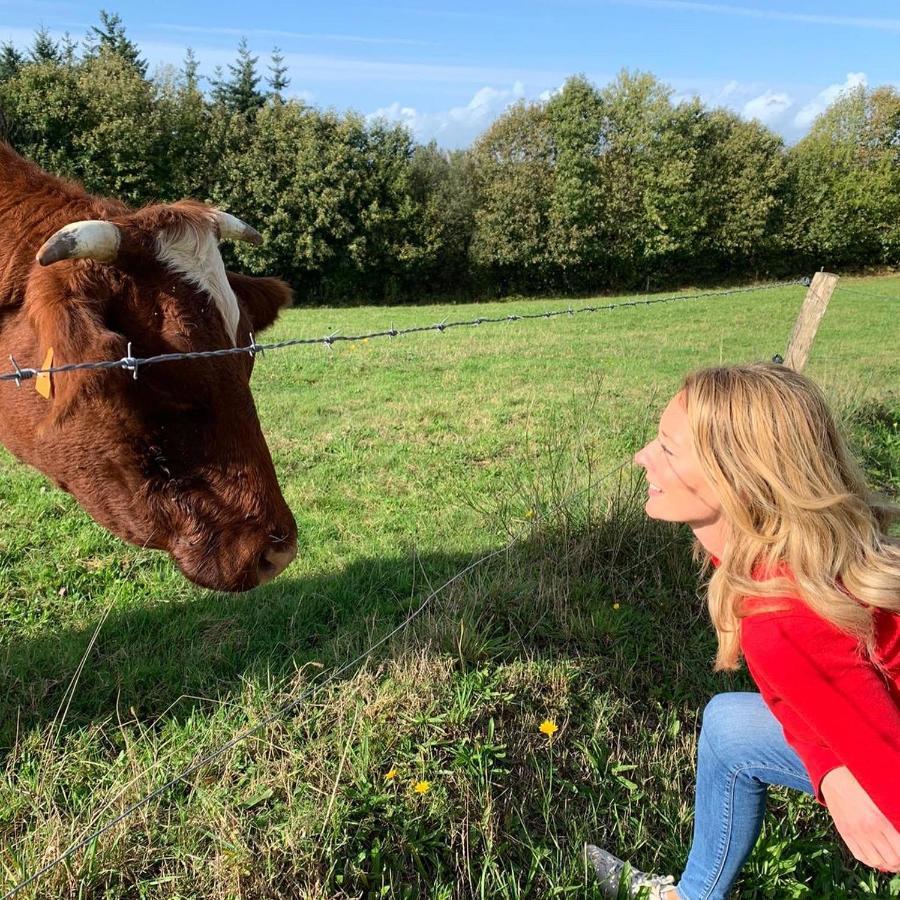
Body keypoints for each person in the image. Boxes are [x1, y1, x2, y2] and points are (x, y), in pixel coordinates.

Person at [586, 362, 900, 899]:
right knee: (729, 726)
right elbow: (795, 699)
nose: (643, 457)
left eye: (668, 447)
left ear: (737, 479)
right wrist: (831, 770)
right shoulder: (802, 544)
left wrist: (859, 788)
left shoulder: (783, 623)